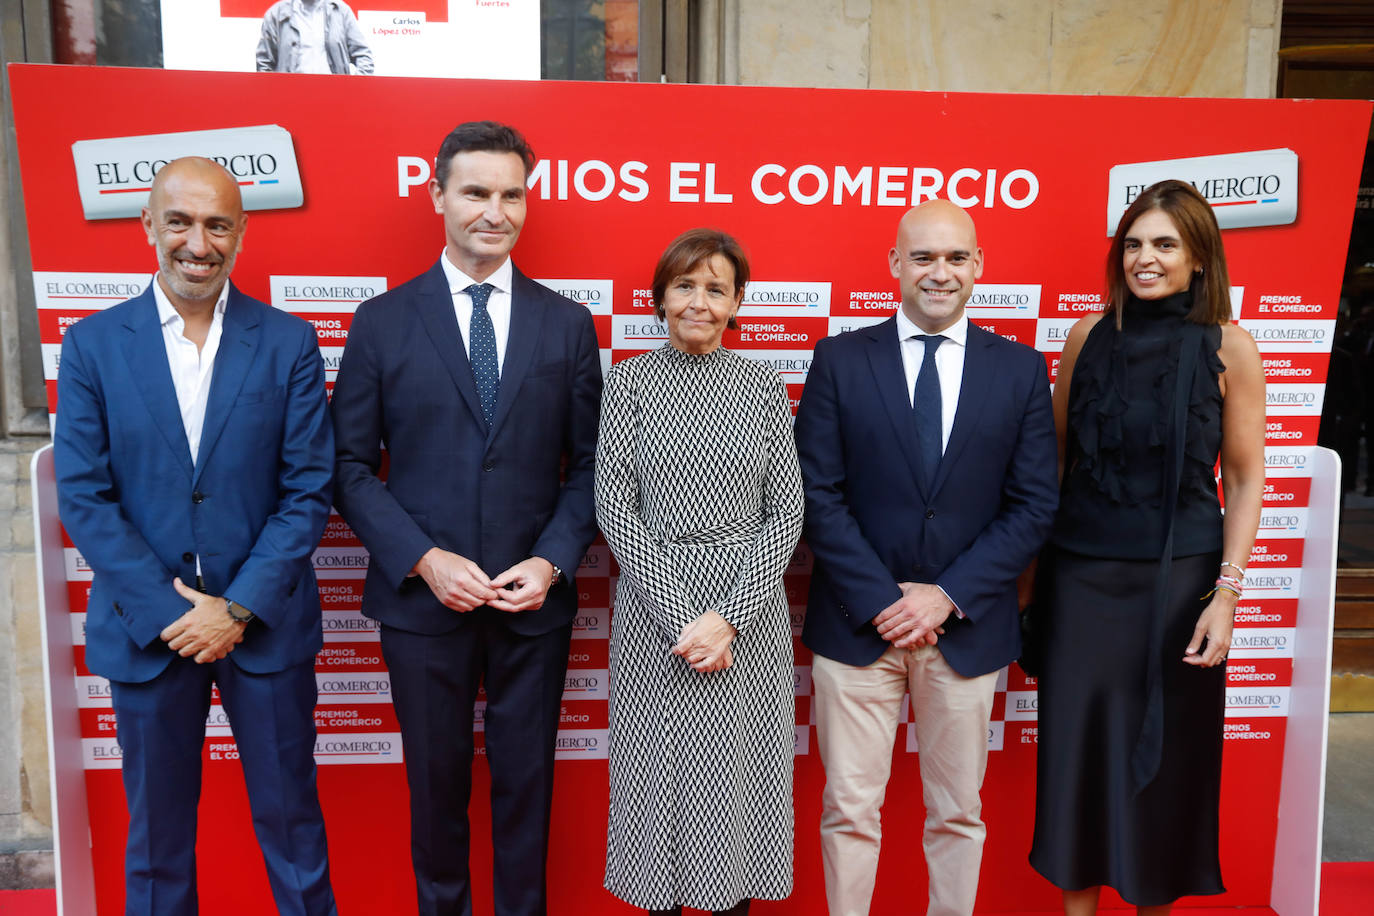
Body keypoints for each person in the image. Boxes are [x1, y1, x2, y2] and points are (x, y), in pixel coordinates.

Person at [330, 120, 602, 916]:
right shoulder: (382, 322)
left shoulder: (567, 325)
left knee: (528, 797)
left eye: (512, 193)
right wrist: (422, 558)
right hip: (423, 607)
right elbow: (347, 466)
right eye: (476, 191)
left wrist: (550, 562)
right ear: (438, 195)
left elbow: (590, 466)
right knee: (435, 797)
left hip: (531, 607)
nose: (495, 210)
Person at [54, 156, 337, 915]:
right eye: (178, 221)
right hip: (151, 637)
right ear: (148, 225)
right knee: (157, 844)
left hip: (265, 632)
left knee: (294, 830)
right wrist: (176, 614)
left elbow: (308, 489)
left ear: (241, 234)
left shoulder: (288, 343)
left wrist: (235, 608)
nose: (197, 242)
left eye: (217, 224)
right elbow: (84, 494)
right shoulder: (91, 346)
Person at [794, 199, 1058, 916]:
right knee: (849, 810)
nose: (938, 273)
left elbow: (1035, 504)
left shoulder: (1022, 371)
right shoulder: (841, 360)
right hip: (857, 628)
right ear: (893, 264)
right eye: (922, 257)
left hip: (966, 631)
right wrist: (885, 600)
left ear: (978, 266)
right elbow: (817, 495)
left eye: (955, 257)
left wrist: (945, 596)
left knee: (957, 812)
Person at [1029, 179, 1265, 913]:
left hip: (1179, 589)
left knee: (1162, 771)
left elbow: (1247, 476)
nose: (1145, 258)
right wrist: (1031, 588)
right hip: (1081, 585)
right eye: (1133, 243)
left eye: (1164, 244)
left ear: (1199, 258)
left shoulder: (1231, 346)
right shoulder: (1086, 338)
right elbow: (1057, 467)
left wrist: (1226, 594)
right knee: (1077, 764)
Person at [596, 228, 804, 916]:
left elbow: (787, 513)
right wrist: (685, 616)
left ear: (737, 301)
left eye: (716, 288)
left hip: (747, 616)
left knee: (733, 797)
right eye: (685, 285)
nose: (699, 302)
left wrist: (729, 619)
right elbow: (613, 506)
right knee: (659, 792)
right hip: (658, 619)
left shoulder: (762, 385)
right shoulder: (627, 384)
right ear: (660, 297)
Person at [257, 0, 375, 75]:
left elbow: (364, 56)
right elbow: (264, 64)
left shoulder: (340, 11)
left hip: (334, 98)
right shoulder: (276, 13)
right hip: (291, 99)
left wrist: (353, 90)